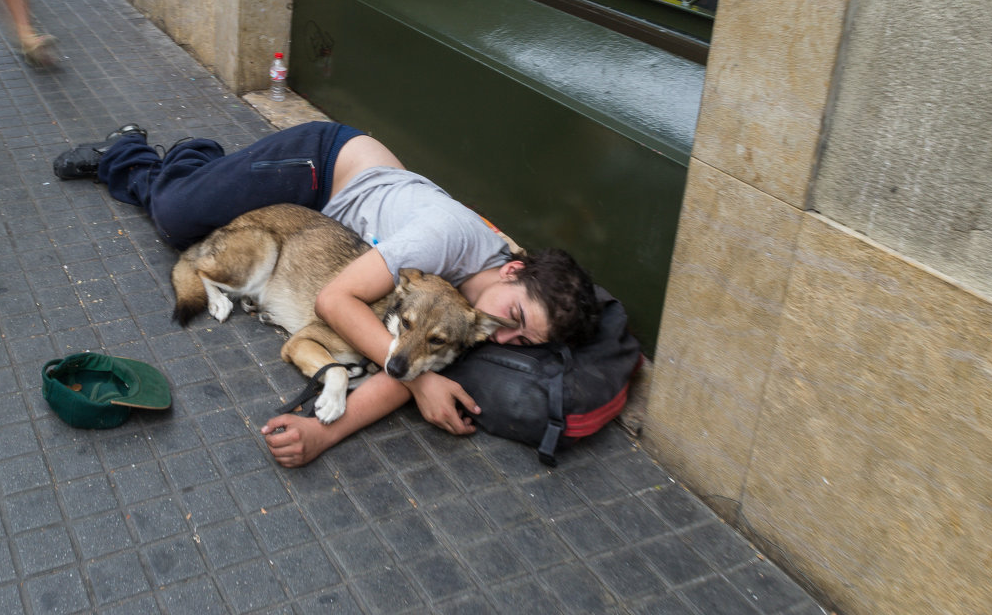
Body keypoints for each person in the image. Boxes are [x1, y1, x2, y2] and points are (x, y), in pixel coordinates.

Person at [53, 121, 602, 466]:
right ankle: (139, 151)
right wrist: (422, 378)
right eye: (514, 317)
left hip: (318, 222)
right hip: (322, 169)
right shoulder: (448, 244)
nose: (505, 336)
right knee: (175, 220)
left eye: (523, 340)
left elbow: (396, 367)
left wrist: (321, 433)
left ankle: (207, 170)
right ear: (513, 270)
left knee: (198, 212)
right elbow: (336, 303)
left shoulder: (468, 316)